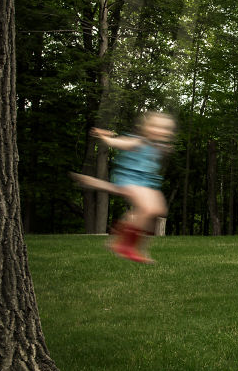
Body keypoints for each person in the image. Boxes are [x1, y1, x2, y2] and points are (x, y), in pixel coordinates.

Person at [70, 111, 175, 264]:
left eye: (165, 129)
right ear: (147, 128)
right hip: (130, 179)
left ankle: (132, 245)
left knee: (158, 208)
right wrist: (104, 136)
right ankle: (122, 243)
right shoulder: (137, 142)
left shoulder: (157, 146)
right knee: (147, 209)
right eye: (156, 127)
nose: (161, 131)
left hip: (145, 182)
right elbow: (117, 143)